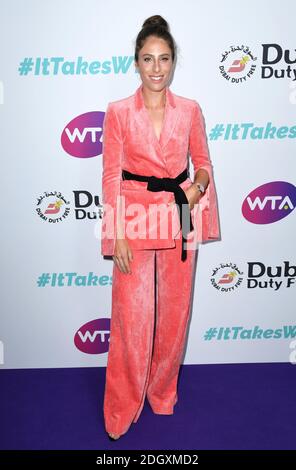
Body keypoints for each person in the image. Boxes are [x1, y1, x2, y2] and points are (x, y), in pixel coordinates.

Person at [101, 15, 220, 440]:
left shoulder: (189, 110)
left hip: (181, 214)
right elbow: (112, 176)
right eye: (148, 59)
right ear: (136, 62)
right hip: (134, 217)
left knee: (175, 314)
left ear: (174, 62)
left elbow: (203, 164)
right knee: (131, 318)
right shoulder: (117, 112)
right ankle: (122, 403)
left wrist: (197, 188)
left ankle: (161, 392)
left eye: (164, 59)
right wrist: (116, 234)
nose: (156, 68)